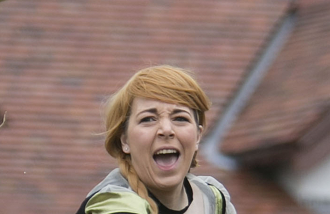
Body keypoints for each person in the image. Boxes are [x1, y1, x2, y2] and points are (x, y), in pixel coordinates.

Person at [76, 65, 237, 214]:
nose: (166, 130)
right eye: (148, 119)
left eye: (180, 118)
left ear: (198, 136)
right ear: (124, 140)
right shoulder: (114, 204)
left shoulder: (213, 198)